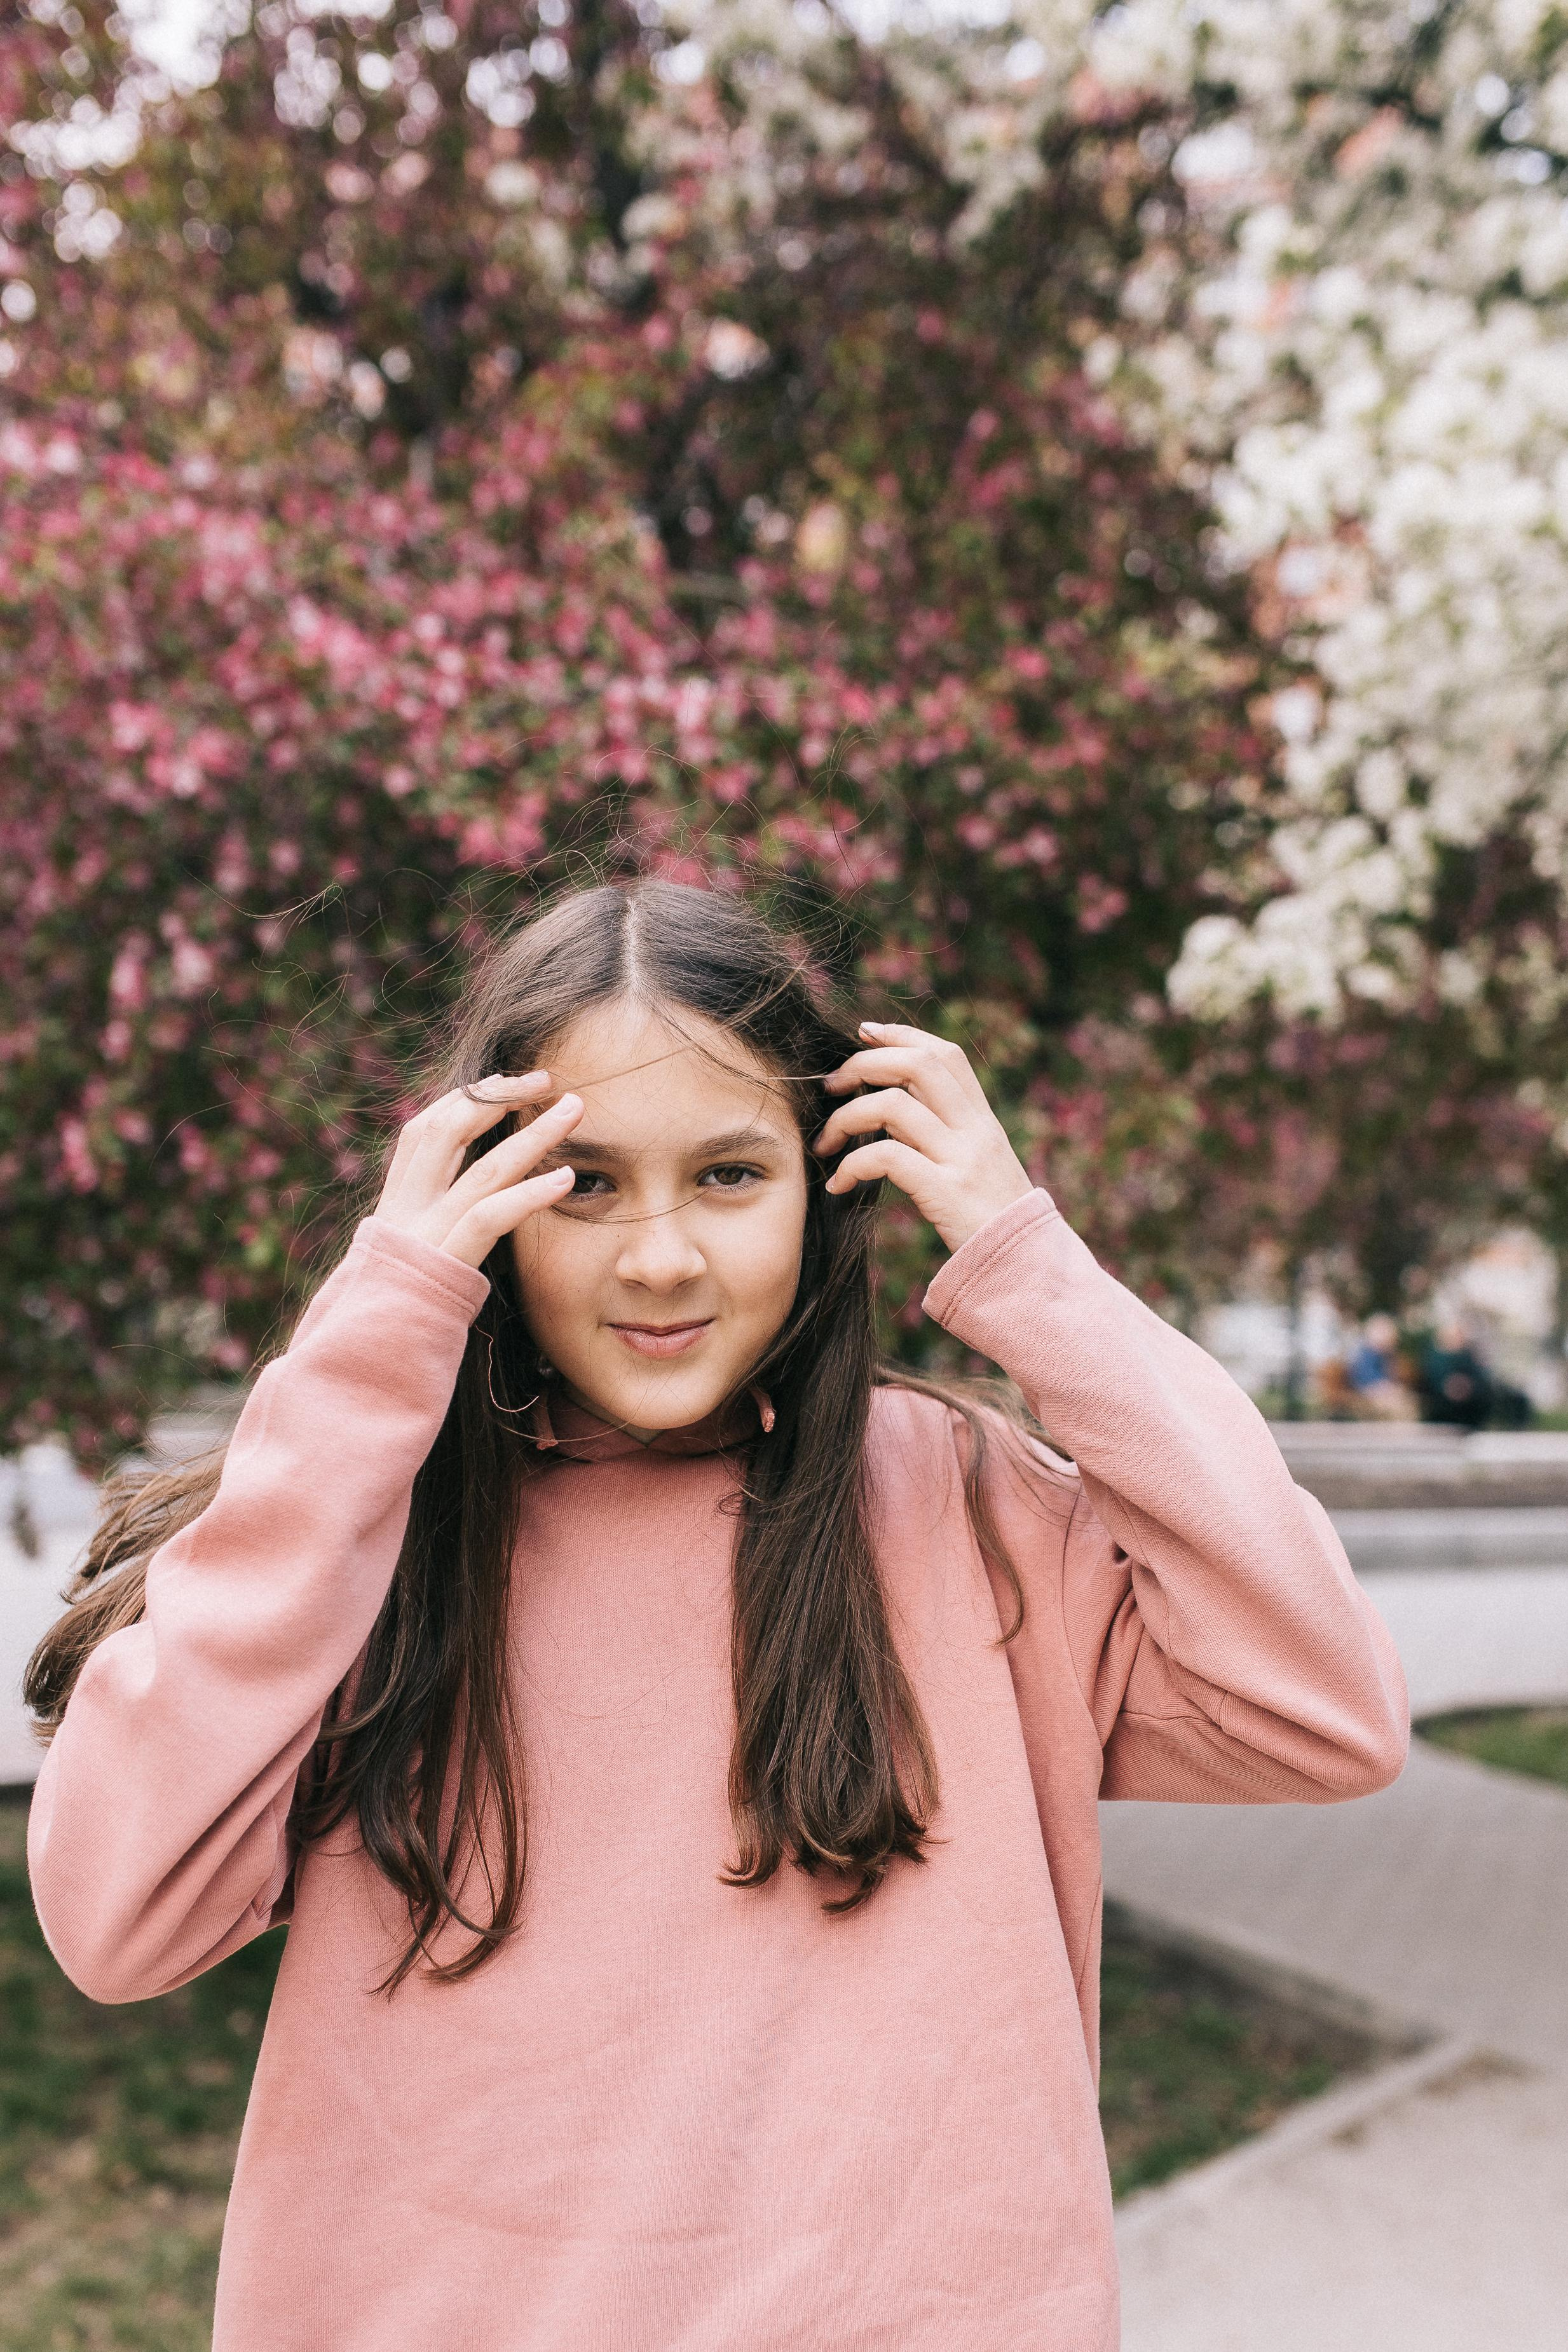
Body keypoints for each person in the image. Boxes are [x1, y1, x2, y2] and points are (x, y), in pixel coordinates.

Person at [24, 880, 1409, 2352]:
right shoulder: (357, 1541)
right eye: (587, 1182)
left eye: (730, 1173)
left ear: (826, 1182)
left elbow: (1326, 1706)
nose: (663, 1253)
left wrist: (1027, 1260)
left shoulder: (975, 1515)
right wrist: (373, 1354)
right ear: (479, 1201)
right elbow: (116, 1917)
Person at [1344, 1311, 1419, 1421]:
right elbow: (1367, 1380)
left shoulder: (1387, 1355)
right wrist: (1387, 1388)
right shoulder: (1365, 1354)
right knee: (1399, 1407)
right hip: (1365, 1394)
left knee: (1408, 1401)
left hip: (1381, 1392)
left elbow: (1393, 1377)